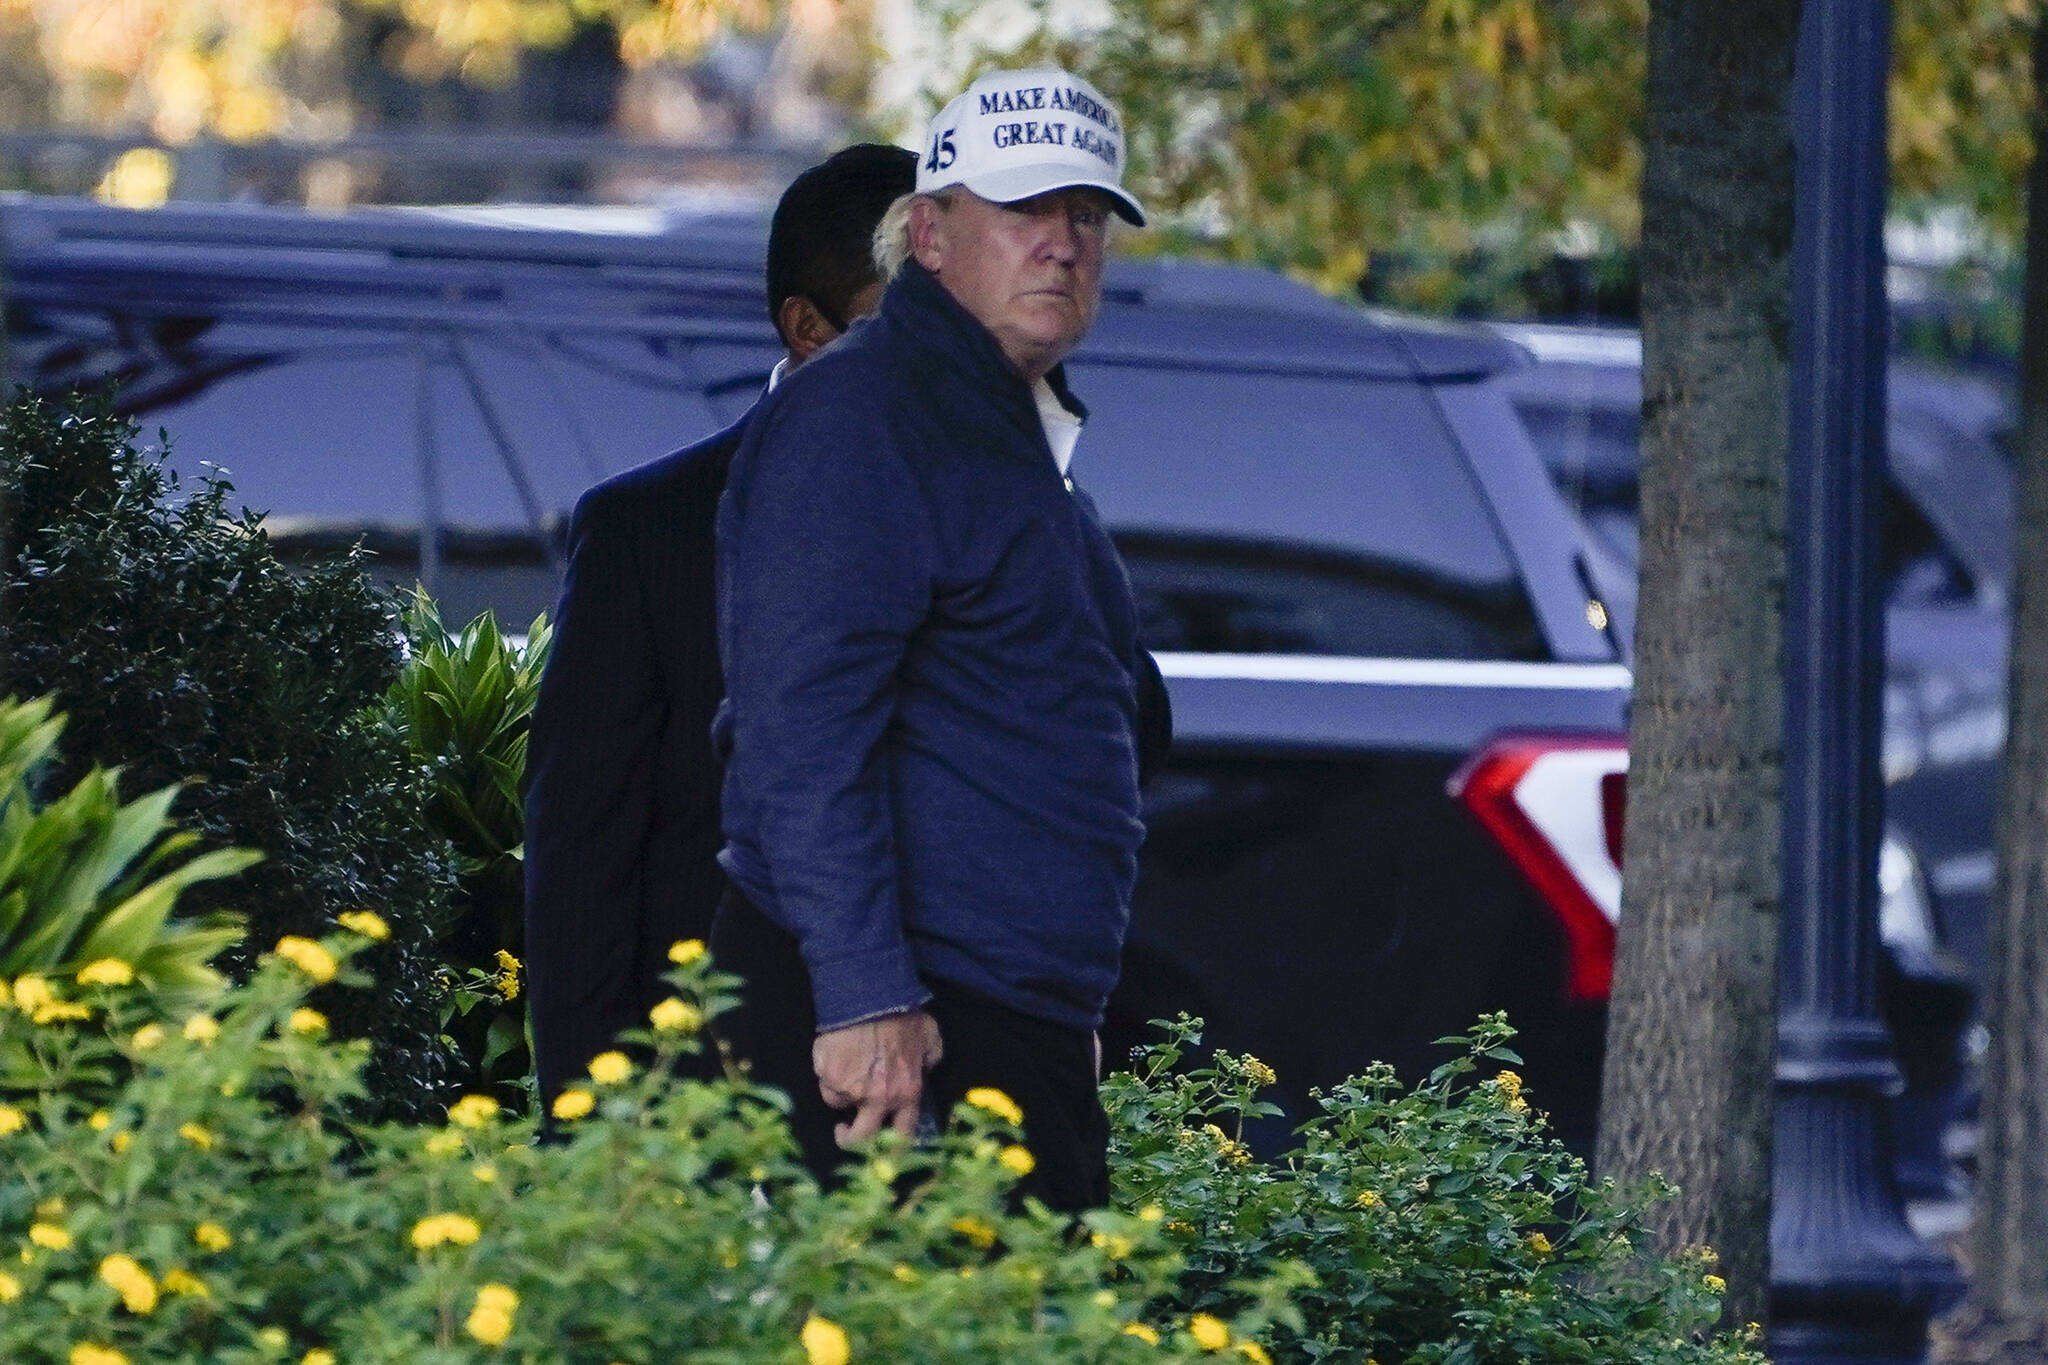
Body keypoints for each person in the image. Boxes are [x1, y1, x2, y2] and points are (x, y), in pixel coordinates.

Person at [711, 66, 1151, 1211]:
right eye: (1023, 209)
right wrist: (863, 1001)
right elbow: (801, 732)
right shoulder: (863, 413)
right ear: (929, 234)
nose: (1061, 244)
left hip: (995, 1014)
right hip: (907, 1025)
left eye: (1086, 215)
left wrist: (1059, 1010)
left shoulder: (996, 417)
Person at [523, 144, 919, 1111]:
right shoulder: (650, 529)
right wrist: (592, 1128)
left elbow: (1125, 732)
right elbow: (582, 850)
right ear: (808, 331)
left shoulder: (1015, 501)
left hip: (956, 1079)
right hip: (717, 1098)